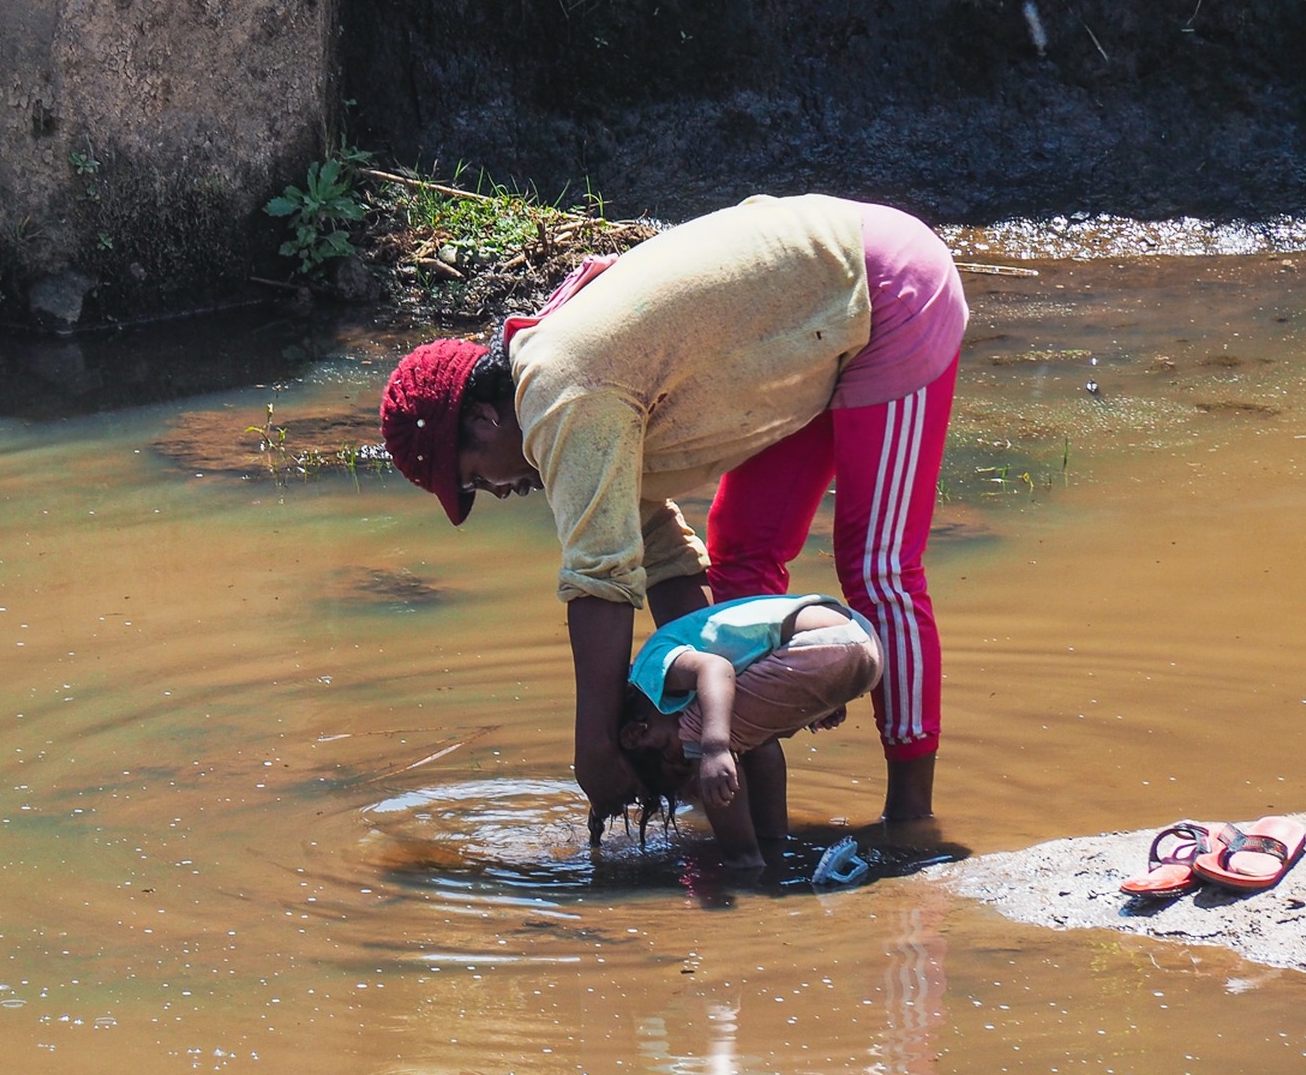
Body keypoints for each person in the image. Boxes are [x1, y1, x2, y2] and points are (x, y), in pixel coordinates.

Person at [379, 194, 966, 822]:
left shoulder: (559, 394)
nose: (499, 493)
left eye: (475, 479)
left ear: (484, 417)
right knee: (741, 557)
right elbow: (661, 559)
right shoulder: (564, 407)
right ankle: (752, 817)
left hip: (885, 291)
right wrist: (678, 717)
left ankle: (912, 819)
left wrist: (596, 750)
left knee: (877, 567)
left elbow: (600, 582)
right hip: (806, 327)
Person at [615, 592, 883, 869]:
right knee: (730, 720)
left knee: (702, 729)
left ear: (636, 733)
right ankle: (774, 844)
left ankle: (742, 863)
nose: (685, 755)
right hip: (862, 641)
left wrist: (714, 749)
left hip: (825, 646)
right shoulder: (677, 659)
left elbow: (716, 668)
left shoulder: (650, 667)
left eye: (676, 759)